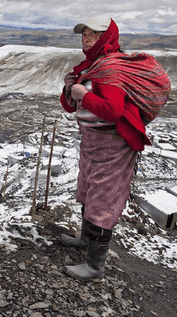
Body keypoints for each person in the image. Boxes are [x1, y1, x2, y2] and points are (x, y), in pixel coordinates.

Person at [59, 15, 170, 281]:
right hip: (93, 141)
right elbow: (71, 106)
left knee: (103, 199)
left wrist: (83, 94)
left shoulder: (110, 68)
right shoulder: (91, 66)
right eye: (84, 33)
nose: (86, 38)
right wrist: (69, 91)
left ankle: (95, 266)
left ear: (107, 37)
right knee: (88, 190)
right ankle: (85, 241)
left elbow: (112, 110)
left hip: (112, 143)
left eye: (94, 33)